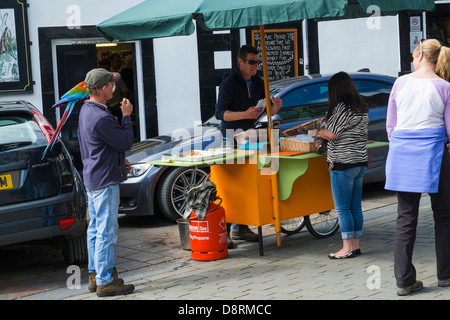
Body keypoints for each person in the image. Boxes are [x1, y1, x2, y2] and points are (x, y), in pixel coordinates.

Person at [384, 39, 450, 296]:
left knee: (405, 217)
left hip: (402, 153)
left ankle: (404, 280)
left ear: (421, 55)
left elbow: (392, 125)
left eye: (414, 54)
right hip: (434, 153)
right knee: (443, 215)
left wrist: (402, 144)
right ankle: (445, 274)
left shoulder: (400, 83)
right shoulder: (445, 87)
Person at [215, 44, 282, 246]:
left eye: (257, 62)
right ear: (240, 62)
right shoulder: (229, 84)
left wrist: (274, 107)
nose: (255, 66)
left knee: (250, 182)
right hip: (230, 136)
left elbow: (267, 111)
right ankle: (226, 230)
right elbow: (220, 113)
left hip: (250, 136)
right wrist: (244, 114)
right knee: (232, 184)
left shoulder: (259, 82)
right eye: (251, 62)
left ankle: (241, 228)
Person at [78, 68, 135, 297]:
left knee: (94, 229)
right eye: (111, 84)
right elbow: (125, 142)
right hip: (104, 181)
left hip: (93, 177)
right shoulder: (102, 117)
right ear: (104, 89)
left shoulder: (86, 109)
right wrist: (127, 116)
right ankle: (105, 281)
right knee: (106, 231)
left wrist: (120, 160)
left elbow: (100, 146)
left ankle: (95, 275)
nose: (114, 87)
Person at [311, 72, 369, 260]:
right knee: (355, 207)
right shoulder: (361, 106)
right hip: (359, 161)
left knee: (343, 208)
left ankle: (346, 248)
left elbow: (332, 134)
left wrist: (317, 131)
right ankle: (355, 246)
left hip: (342, 163)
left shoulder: (342, 107)